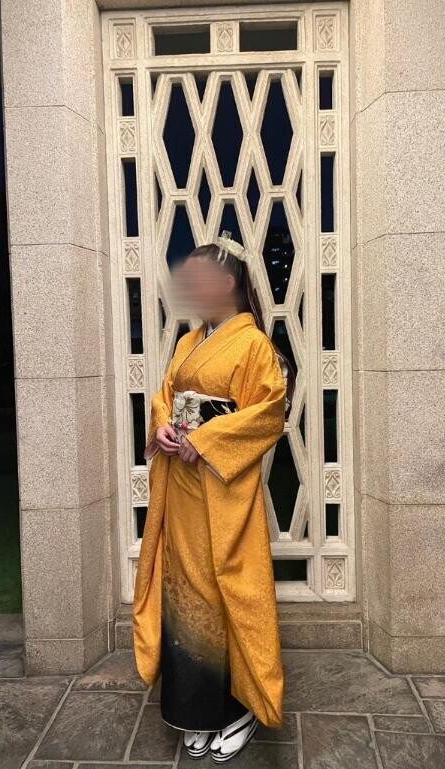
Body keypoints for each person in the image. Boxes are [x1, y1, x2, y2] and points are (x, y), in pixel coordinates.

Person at [132, 231, 296, 763]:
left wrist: (205, 439)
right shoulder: (189, 343)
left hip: (223, 491)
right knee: (185, 595)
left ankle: (237, 709)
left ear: (226, 284)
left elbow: (267, 414)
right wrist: (162, 425)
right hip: (180, 489)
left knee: (227, 593)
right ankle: (196, 712)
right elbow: (165, 396)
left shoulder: (253, 345)